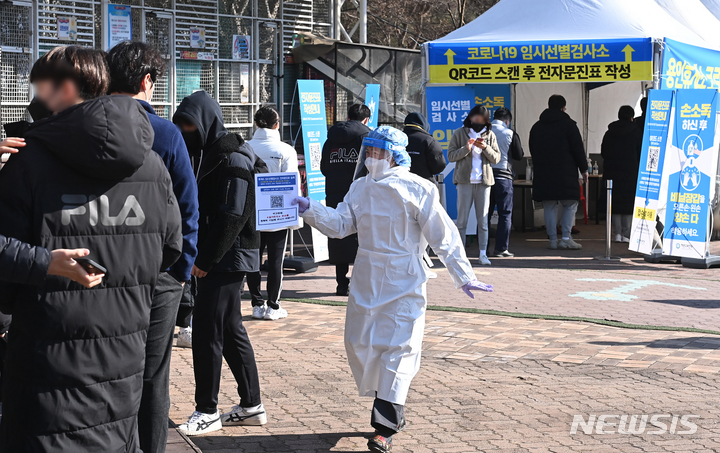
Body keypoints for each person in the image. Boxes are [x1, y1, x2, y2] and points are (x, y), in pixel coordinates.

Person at [0, 45, 182, 451]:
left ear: (64, 89)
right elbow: (171, 248)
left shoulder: (25, 163)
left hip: (45, 375)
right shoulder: (151, 165)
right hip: (122, 369)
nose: (34, 98)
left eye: (39, 86)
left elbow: (5, 280)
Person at [292, 126, 492, 453]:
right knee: (359, 342)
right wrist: (309, 208)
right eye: (368, 152)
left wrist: (463, 274)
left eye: (378, 152)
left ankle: (384, 424)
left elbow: (443, 235)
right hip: (367, 274)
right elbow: (341, 224)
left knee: (400, 348)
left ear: (396, 155)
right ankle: (389, 403)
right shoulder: (360, 187)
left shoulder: (419, 188)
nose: (372, 158)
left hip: (405, 277)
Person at [106, 40, 200, 453]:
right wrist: (180, 270)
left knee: (107, 367)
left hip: (99, 268)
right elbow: (187, 203)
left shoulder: (86, 127)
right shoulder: (164, 132)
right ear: (147, 81)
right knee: (153, 373)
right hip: (159, 273)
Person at [173, 91, 269, 436]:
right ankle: (251, 404)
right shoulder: (212, 153)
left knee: (207, 331)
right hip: (224, 256)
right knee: (229, 329)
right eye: (181, 124)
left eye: (189, 124)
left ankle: (207, 410)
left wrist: (205, 260)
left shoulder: (232, 157)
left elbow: (232, 214)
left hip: (227, 257)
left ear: (206, 122)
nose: (185, 131)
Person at [246, 106, 298, 321]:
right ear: (277, 124)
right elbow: (292, 185)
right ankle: (273, 305)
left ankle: (257, 304)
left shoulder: (246, 147)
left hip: (251, 214)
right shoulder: (286, 150)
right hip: (278, 214)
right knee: (276, 262)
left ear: (256, 124)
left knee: (253, 260)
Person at [320, 104, 371, 296]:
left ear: (348, 117)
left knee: (338, 234)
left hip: (333, 193)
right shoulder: (366, 138)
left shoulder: (330, 139)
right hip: (360, 194)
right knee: (362, 236)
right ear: (366, 120)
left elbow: (324, 168)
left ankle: (341, 283)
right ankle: (359, 284)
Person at [529, 94, 589, 250]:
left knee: (549, 205)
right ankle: (566, 238)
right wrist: (584, 169)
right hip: (566, 173)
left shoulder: (537, 126)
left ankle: (553, 240)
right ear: (563, 108)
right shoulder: (569, 125)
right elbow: (578, 149)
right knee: (571, 203)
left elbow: (533, 150)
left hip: (544, 173)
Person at [447, 105, 501, 265]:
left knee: (483, 221)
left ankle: (483, 253)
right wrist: (467, 148)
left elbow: (496, 158)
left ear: (486, 120)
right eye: (475, 117)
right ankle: (461, 254)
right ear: (470, 117)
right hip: (464, 182)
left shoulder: (490, 135)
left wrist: (485, 148)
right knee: (462, 220)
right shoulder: (460, 133)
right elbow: (450, 156)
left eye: (481, 118)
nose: (477, 121)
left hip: (484, 182)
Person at [601, 105, 642, 243]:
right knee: (629, 203)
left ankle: (617, 233)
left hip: (612, 172)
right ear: (631, 117)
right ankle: (627, 234)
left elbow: (603, 153)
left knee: (615, 203)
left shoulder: (609, 132)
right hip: (631, 173)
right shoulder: (636, 132)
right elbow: (640, 152)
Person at [487, 107, 523, 257]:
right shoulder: (510, 133)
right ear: (507, 120)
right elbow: (519, 155)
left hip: (485, 178)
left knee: (484, 214)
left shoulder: (483, 131)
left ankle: (484, 249)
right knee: (505, 214)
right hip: (504, 178)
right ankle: (501, 249)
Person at [403, 112, 447, 180]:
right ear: (424, 125)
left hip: (401, 183)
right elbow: (439, 165)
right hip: (425, 183)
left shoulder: (397, 139)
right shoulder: (429, 140)